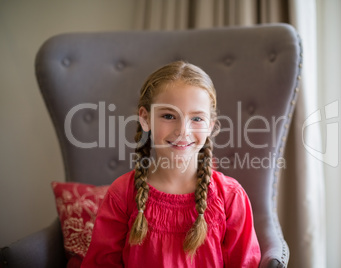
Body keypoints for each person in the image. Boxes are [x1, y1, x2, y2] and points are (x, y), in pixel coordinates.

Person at [81, 61, 261, 267]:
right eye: (168, 116)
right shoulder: (122, 194)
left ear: (210, 125)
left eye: (197, 119)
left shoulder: (230, 197)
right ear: (145, 118)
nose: (182, 130)